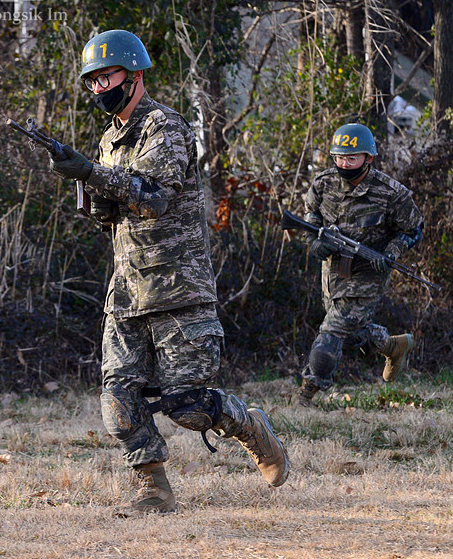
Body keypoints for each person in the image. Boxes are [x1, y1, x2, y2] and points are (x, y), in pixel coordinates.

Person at [46, 29, 289, 514]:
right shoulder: (111, 137)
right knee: (118, 402)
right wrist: (87, 186)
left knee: (190, 406)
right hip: (127, 291)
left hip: (178, 288)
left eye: (106, 76)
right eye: (91, 80)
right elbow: (112, 212)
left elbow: (154, 196)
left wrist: (91, 173)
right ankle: (154, 490)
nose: (98, 87)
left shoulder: (165, 127)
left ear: (134, 74)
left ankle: (249, 425)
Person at [295, 123, 424, 407]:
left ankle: (307, 394)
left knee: (331, 332)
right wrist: (315, 241)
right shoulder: (323, 183)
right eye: (339, 157)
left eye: (351, 158)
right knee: (349, 331)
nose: (344, 163)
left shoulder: (391, 193)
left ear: (368, 158)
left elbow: (414, 228)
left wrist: (390, 252)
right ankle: (392, 346)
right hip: (333, 271)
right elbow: (310, 217)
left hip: (369, 272)